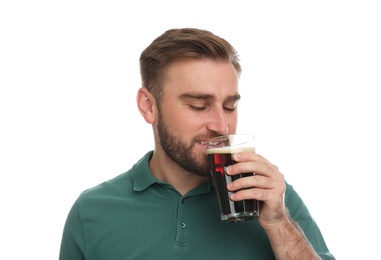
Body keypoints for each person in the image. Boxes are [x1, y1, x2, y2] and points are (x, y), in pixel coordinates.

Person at [59, 28, 335, 259]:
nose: (221, 126)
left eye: (229, 106)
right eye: (198, 105)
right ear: (148, 106)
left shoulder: (272, 197)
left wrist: (278, 224)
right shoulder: (92, 211)